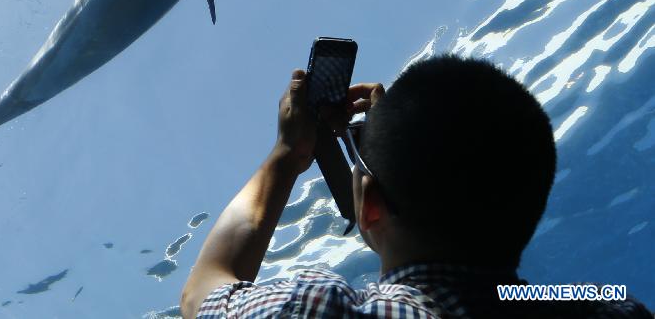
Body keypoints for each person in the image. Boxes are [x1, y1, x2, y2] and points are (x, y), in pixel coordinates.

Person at [180, 55, 650, 318]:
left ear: (371, 209)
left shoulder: (323, 311)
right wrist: (398, 134)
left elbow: (203, 290)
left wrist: (287, 155)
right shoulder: (609, 309)